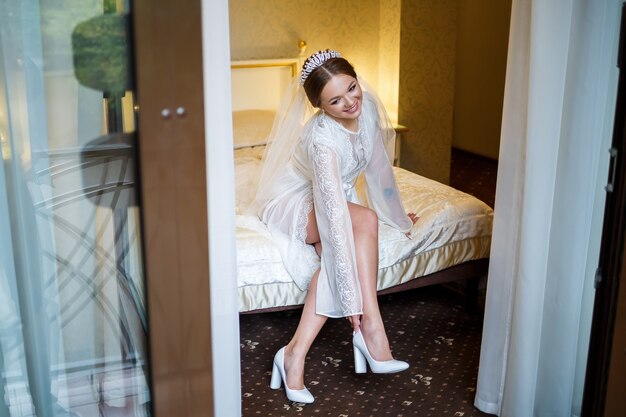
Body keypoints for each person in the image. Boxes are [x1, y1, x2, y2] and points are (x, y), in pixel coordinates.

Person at [254, 49, 418, 404]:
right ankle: (372, 329)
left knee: (361, 226)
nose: (350, 102)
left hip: (335, 197)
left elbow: (378, 170)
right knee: (362, 223)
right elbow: (332, 218)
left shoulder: (368, 107)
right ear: (320, 107)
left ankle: (293, 354)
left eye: (352, 88)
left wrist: (399, 216)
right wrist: (352, 300)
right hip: (296, 199)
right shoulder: (321, 139)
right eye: (335, 100)